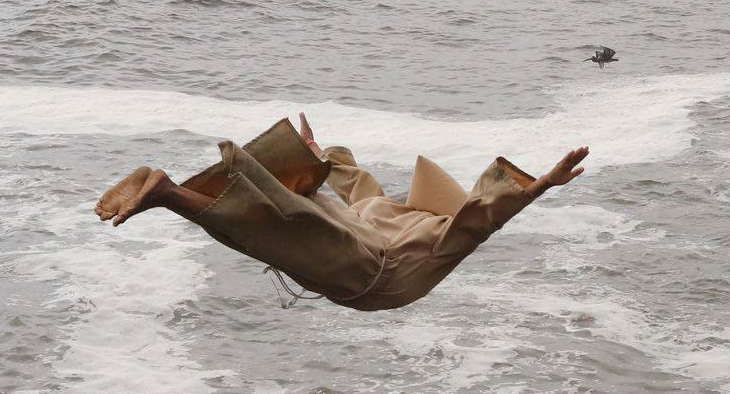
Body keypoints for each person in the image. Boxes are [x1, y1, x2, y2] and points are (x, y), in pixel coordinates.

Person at [95, 115, 589, 311]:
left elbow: (359, 186)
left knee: (288, 211)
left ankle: (173, 191)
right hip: (372, 273)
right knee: (270, 232)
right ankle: (166, 193)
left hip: (357, 238)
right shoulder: (444, 233)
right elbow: (485, 216)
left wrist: (317, 156)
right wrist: (541, 184)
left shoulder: (398, 209)